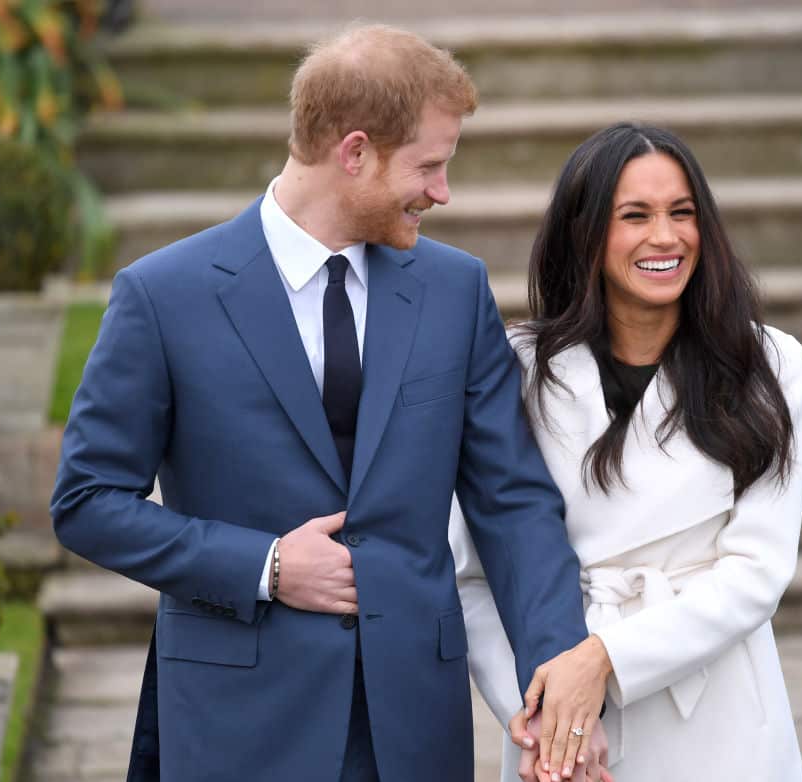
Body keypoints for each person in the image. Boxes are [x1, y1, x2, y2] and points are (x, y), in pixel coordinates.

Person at [50, 25, 609, 782]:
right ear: (354, 152)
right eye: (430, 166)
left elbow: (511, 502)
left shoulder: (454, 290)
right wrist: (267, 565)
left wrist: (558, 682)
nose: (442, 192)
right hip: (236, 721)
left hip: (412, 726)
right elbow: (86, 500)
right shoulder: (163, 295)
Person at [450, 123, 802, 782]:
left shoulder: (770, 365)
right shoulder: (515, 370)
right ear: (583, 234)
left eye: (682, 213)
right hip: (558, 718)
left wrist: (605, 660)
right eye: (634, 216)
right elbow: (474, 575)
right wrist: (545, 721)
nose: (666, 237)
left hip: (717, 711)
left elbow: (758, 571)